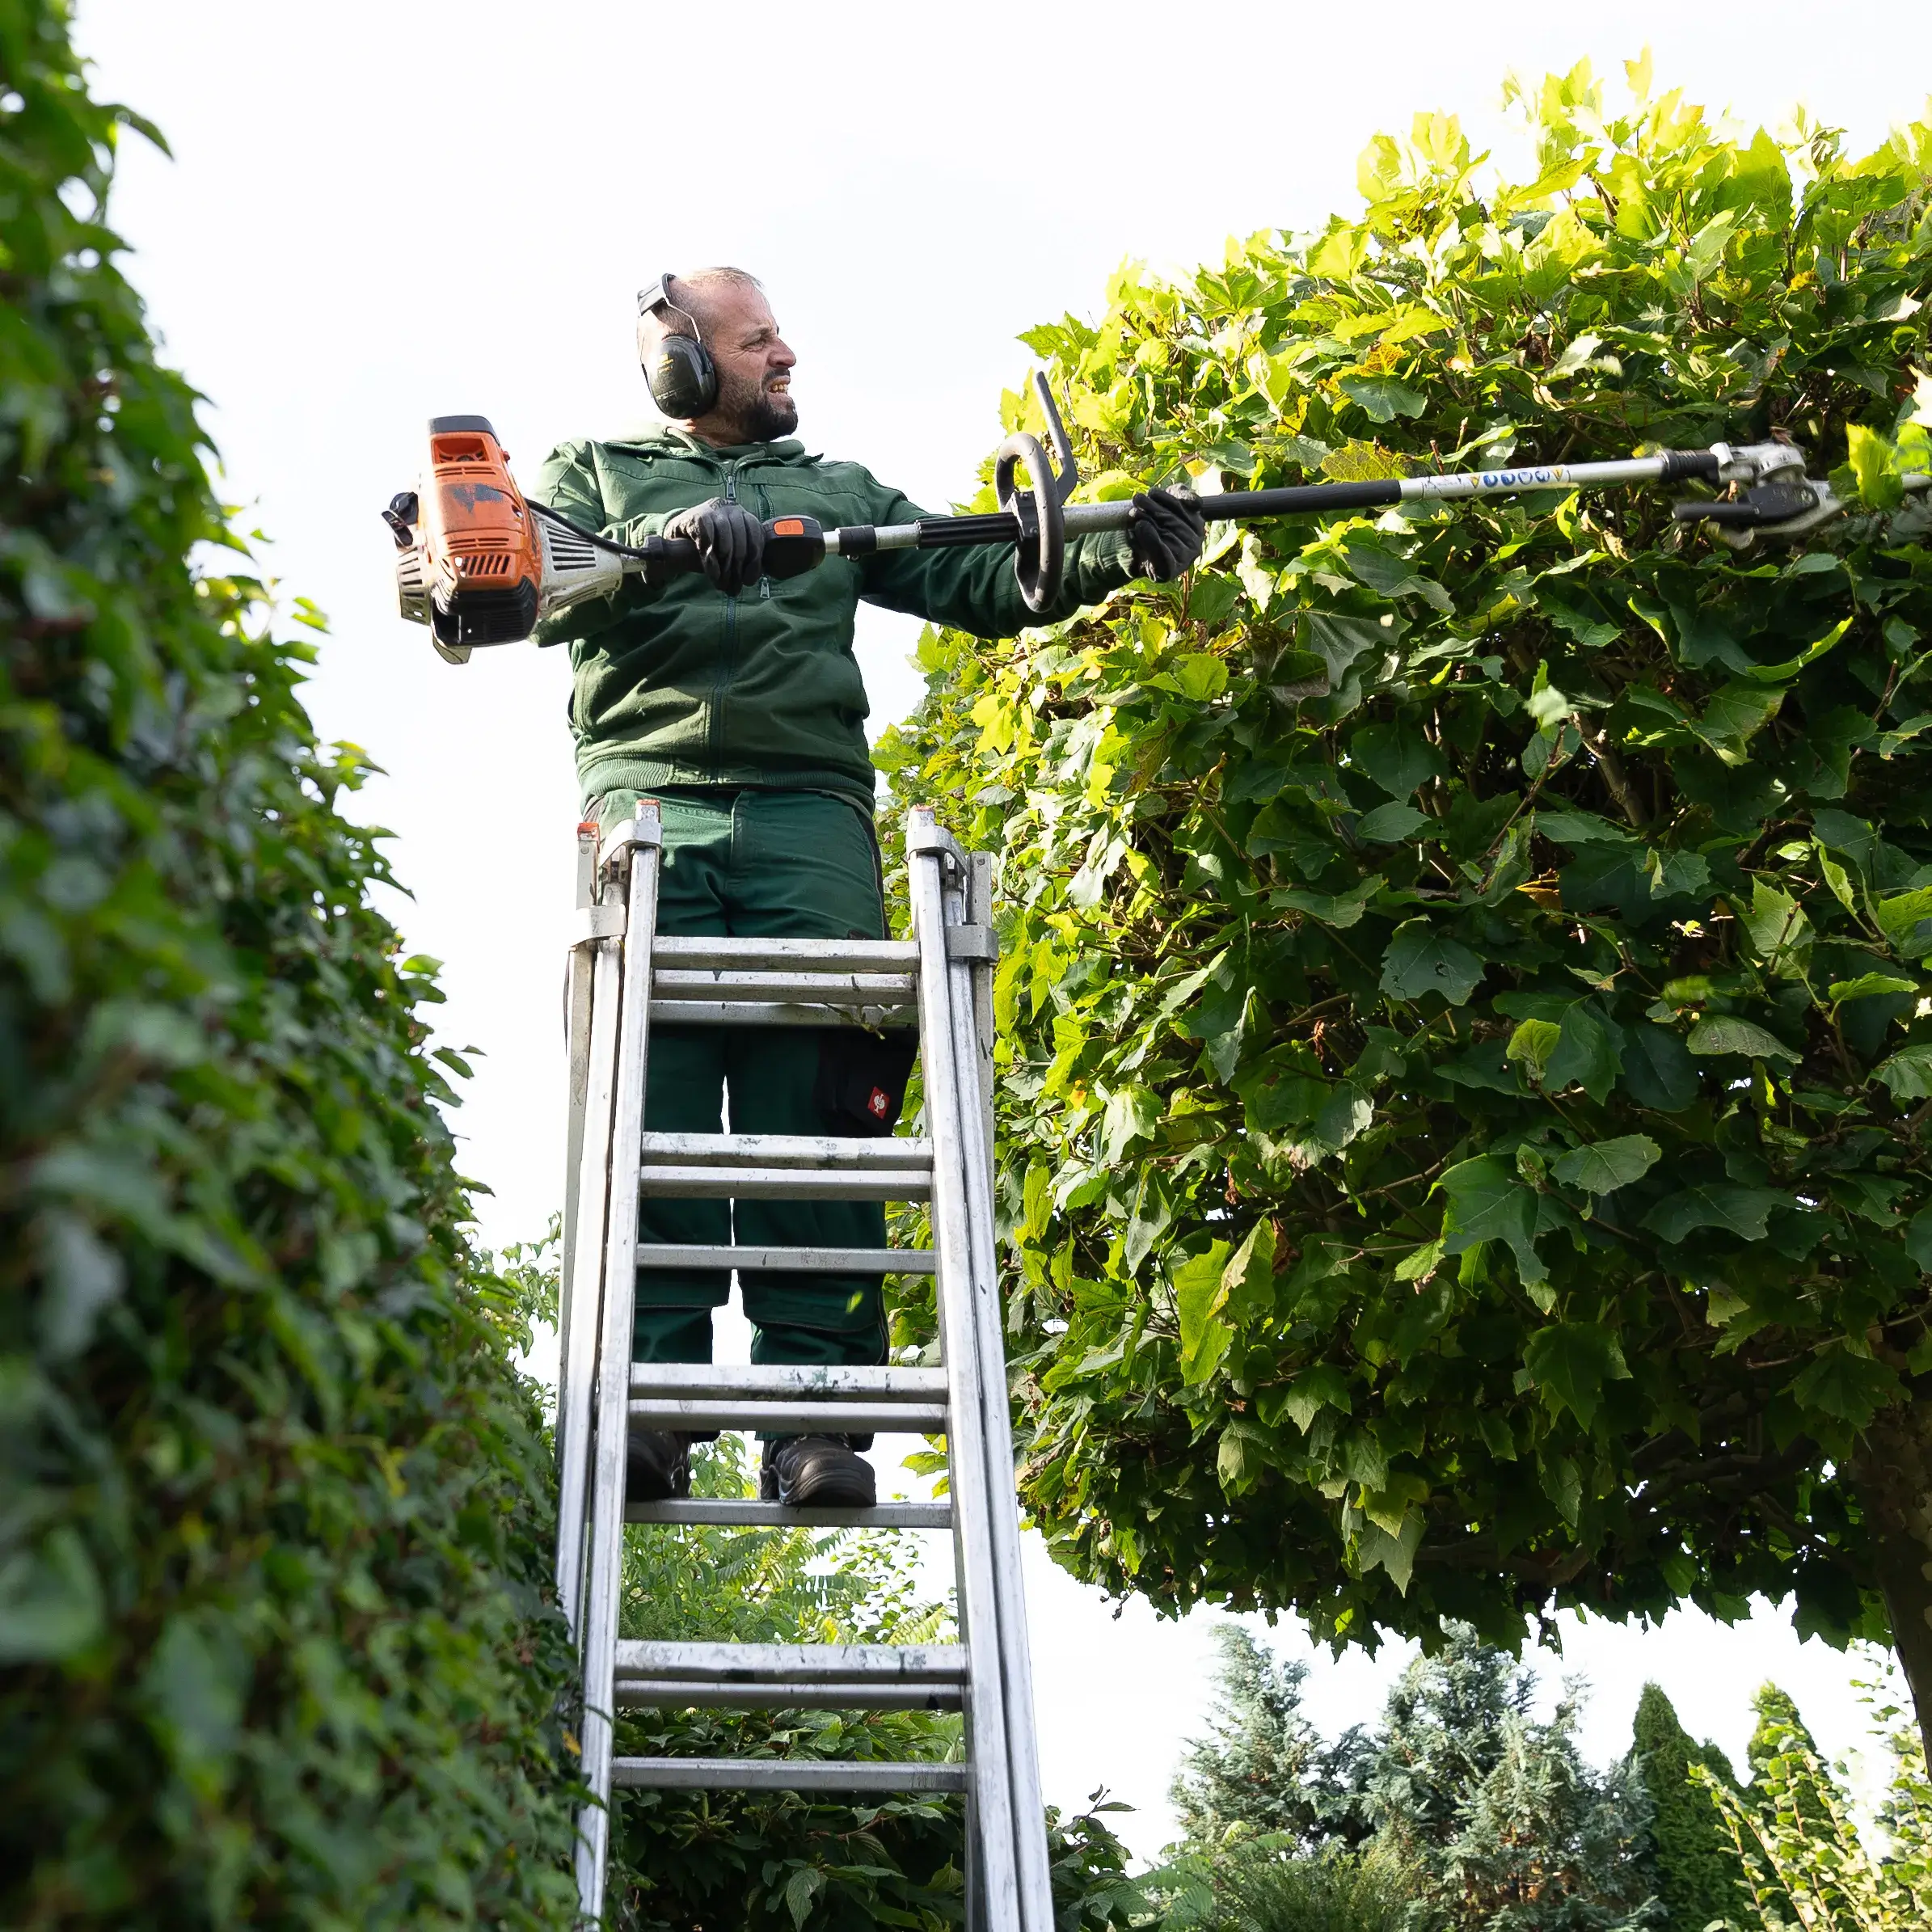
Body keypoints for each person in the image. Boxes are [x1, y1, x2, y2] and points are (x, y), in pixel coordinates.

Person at [531, 268, 1204, 1508]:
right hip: (647, 808)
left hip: (808, 817)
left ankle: (816, 1420)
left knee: (824, 1114)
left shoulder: (834, 494)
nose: (786, 356)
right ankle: (650, 1405)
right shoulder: (595, 476)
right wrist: (662, 548)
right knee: (648, 1099)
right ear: (681, 365)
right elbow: (525, 579)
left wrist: (1115, 548)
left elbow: (979, 575)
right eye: (757, 340)